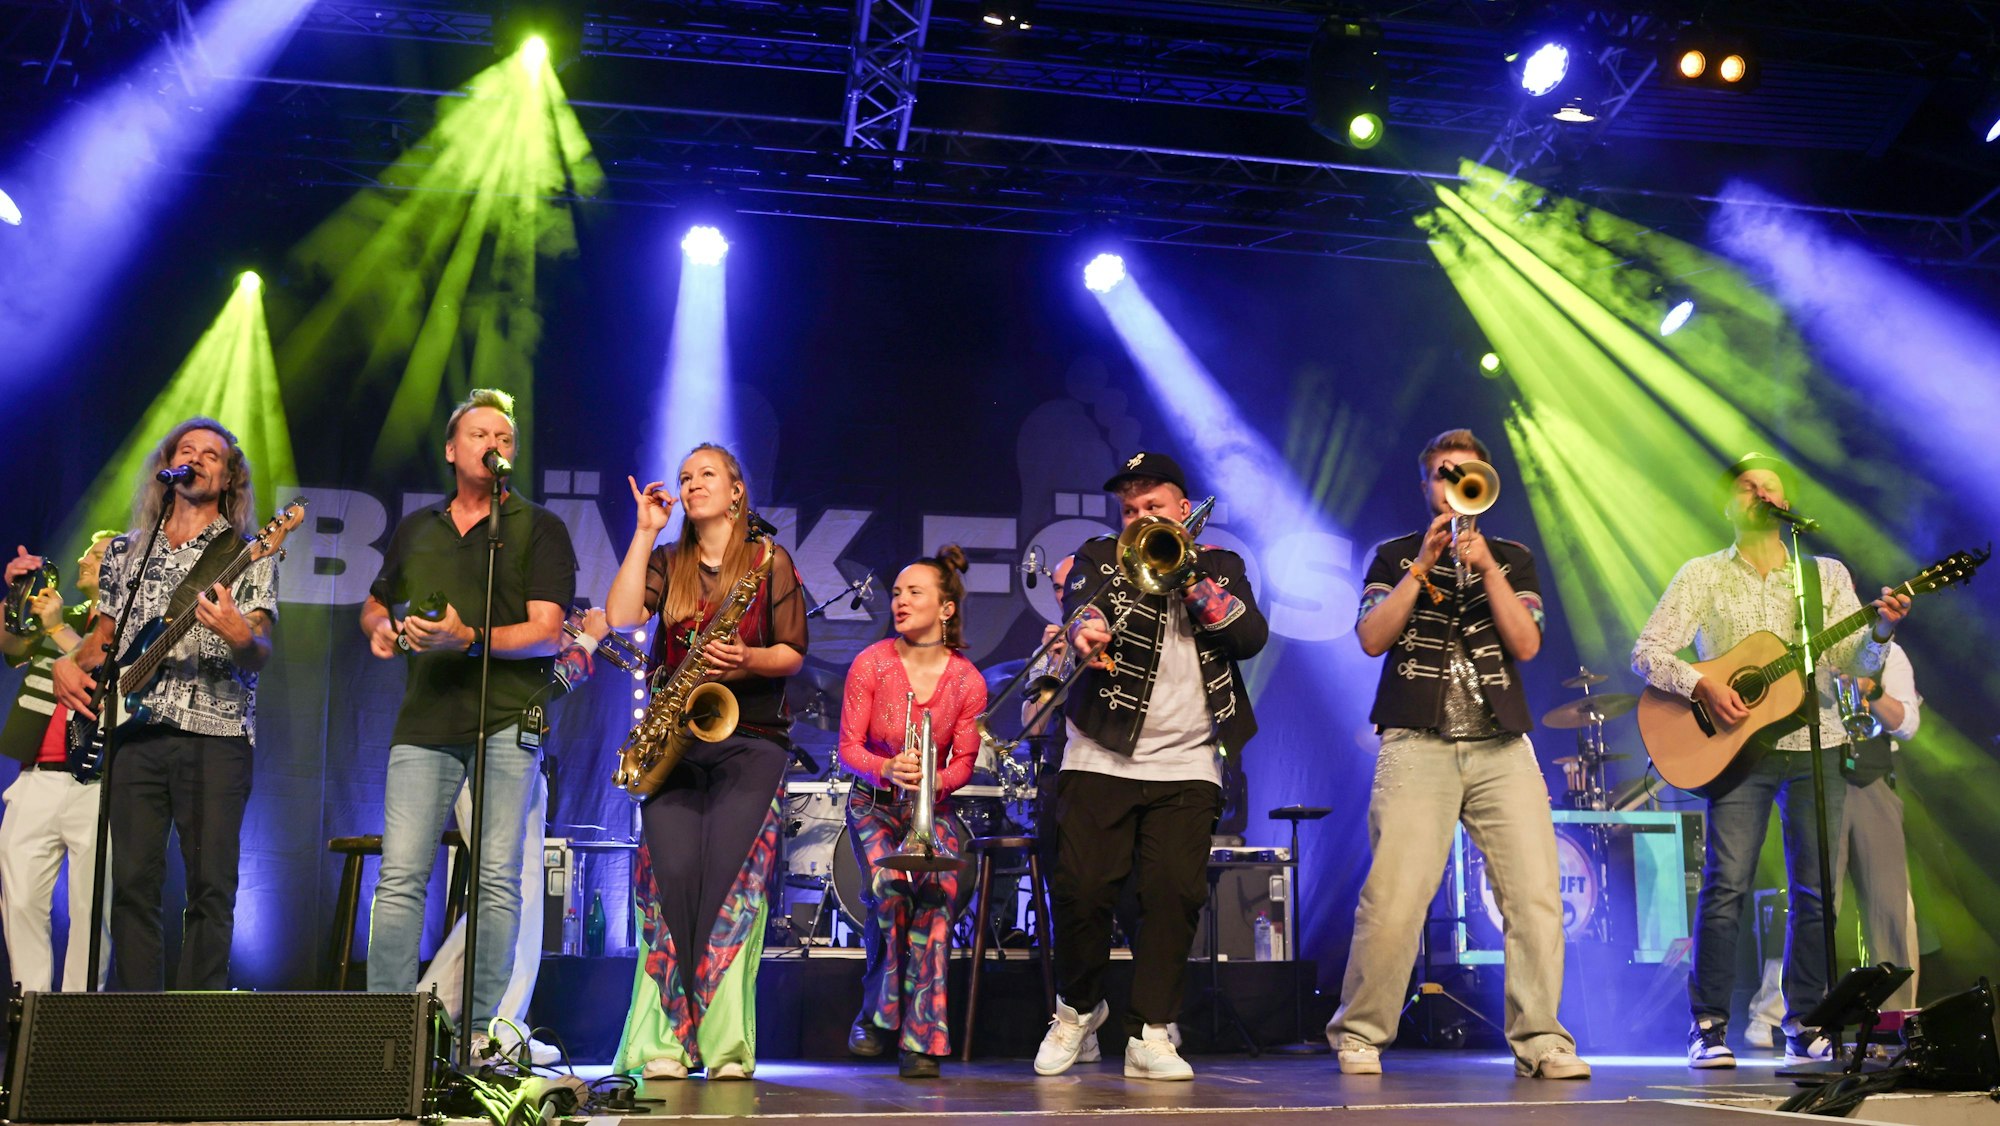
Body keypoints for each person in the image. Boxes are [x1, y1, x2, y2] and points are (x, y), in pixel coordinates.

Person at [1632, 452, 1910, 1068]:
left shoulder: (1825, 577)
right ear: (1730, 504)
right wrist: (1703, 685)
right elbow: (1647, 652)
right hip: (1737, 752)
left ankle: (1807, 1022)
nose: (1761, 495)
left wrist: (1882, 632)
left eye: (1772, 489)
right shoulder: (1703, 574)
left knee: (1817, 892)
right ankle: (1708, 1025)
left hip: (1818, 742)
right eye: (1749, 488)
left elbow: (1854, 666)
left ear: (1787, 507)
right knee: (1726, 885)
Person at [1327, 428, 1589, 1080]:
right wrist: (1423, 563)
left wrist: (1487, 568)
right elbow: (1370, 637)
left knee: (1534, 898)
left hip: (1501, 743)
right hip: (1417, 742)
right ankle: (1359, 1034)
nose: (1453, 482)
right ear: (1426, 485)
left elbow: (1526, 643)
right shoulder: (1393, 555)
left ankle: (1543, 1041)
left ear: (1484, 481)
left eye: (1465, 472)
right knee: (1394, 899)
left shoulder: (1513, 556)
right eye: (1443, 473)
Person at [1033, 450, 1267, 1082]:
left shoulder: (1221, 566)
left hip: (1189, 760)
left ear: (1183, 512)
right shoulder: (1099, 557)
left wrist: (1187, 574)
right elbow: (1080, 610)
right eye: (1130, 509)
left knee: (1173, 896)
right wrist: (1086, 629)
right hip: (1101, 751)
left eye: (1153, 508)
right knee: (1082, 892)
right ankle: (1077, 1012)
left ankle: (1151, 1032)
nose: (1139, 518)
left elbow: (1248, 638)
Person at [359, 388, 577, 1048]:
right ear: (453, 450)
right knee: (400, 877)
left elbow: (547, 630)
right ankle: (385, 1034)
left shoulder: (538, 528)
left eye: (505, 438)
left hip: (508, 718)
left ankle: (478, 1034)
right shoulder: (417, 528)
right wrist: (383, 628)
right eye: (481, 434)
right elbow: (374, 604)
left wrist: (470, 638)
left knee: (496, 880)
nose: (495, 445)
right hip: (425, 722)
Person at [51, 419, 279, 991]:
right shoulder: (127, 550)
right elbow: (103, 641)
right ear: (169, 465)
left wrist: (238, 633)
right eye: (187, 451)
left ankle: (193, 1029)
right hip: (134, 738)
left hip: (215, 737)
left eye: (212, 455)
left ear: (229, 476)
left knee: (210, 888)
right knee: (130, 885)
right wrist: (64, 663)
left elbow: (258, 653)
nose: (198, 460)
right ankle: (136, 1026)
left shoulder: (248, 551)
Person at [606, 443, 806, 1081]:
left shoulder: (771, 561)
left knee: (730, 892)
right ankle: (662, 1045)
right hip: (678, 744)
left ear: (737, 490)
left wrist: (746, 660)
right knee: (671, 883)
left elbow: (792, 654)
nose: (692, 485)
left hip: (752, 739)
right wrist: (644, 534)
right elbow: (619, 616)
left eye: (706, 475)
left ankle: (724, 1049)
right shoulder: (669, 559)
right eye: (685, 476)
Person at [416, 607, 615, 1065]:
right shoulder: (492, 621)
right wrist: (587, 642)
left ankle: (432, 1014)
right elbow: (539, 692)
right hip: (493, 758)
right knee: (512, 896)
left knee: (502, 898)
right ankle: (498, 1029)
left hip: (504, 757)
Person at [838, 546, 987, 1078]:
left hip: (933, 808)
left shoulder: (968, 680)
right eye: (897, 593)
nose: (900, 601)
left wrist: (932, 779)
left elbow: (966, 763)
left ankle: (923, 1037)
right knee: (889, 888)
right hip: (874, 804)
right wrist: (885, 770)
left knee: (937, 894)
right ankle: (879, 1014)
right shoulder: (871, 663)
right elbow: (849, 749)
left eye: (914, 592)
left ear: (946, 608)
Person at [1744, 642, 1923, 1046]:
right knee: (1815, 903)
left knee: (1891, 908)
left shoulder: (1890, 654)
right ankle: (1782, 1014)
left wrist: (1869, 691)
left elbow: (1907, 725)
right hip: (1818, 784)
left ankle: (1891, 1023)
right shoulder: (1808, 649)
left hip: (1871, 784)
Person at [0, 532, 116, 991]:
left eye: (98, 553)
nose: (84, 559)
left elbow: (107, 674)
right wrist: (15, 595)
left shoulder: (133, 627)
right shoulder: (62, 615)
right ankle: (29, 1012)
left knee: (92, 909)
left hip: (97, 780)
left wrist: (53, 629)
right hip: (37, 777)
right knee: (20, 898)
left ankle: (74, 1022)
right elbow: (10, 645)